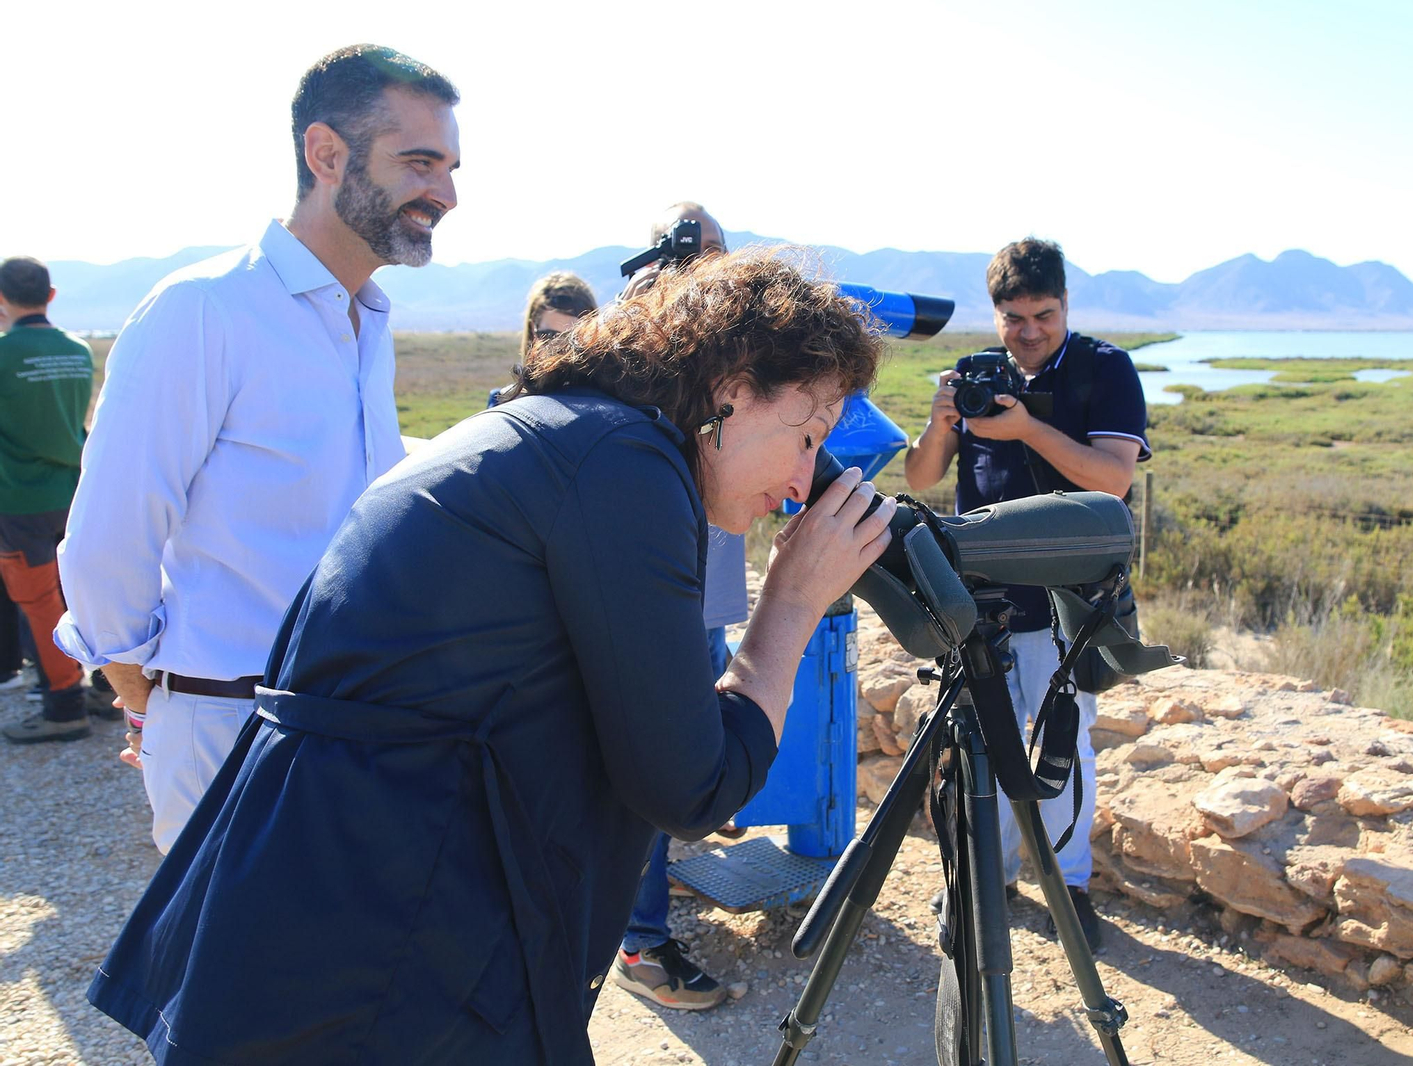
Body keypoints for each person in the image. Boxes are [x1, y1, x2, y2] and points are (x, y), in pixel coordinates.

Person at [87, 249, 892, 1065]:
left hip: (327, 910)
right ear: (734, 385)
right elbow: (692, 785)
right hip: (380, 955)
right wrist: (792, 599)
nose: (801, 484)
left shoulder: (565, 431)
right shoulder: (624, 464)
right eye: (808, 437)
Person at [53, 44, 461, 851]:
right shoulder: (203, 310)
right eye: (419, 162)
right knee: (238, 975)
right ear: (325, 153)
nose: (444, 194)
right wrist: (151, 691)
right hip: (231, 723)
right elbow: (109, 537)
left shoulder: (366, 321)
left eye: (450, 167)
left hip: (349, 720)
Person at [903, 237, 1150, 950]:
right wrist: (942, 419)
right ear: (996, 315)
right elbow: (922, 478)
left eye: (1044, 314)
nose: (1030, 330)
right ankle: (990, 880)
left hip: (1068, 605)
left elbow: (1112, 482)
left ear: (1066, 304)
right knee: (982, 745)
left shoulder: (1104, 371)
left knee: (1063, 750)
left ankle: (1067, 887)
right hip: (978, 605)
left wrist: (1026, 429)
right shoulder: (977, 378)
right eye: (1014, 317)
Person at [610, 202, 748, 1010]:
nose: (713, 273)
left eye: (722, 256)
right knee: (647, 777)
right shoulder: (645, 351)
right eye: (697, 257)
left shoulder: (730, 355)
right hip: (659, 602)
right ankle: (641, 946)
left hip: (710, 604)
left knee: (689, 766)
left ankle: (654, 897)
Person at [0, 256, 100, 743]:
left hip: (19, 498)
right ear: (52, 295)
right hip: (75, 489)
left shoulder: (3, 354)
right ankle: (106, 684)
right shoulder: (78, 350)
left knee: (39, 601)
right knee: (86, 592)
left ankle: (63, 707)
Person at [488, 272, 597, 408]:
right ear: (533, 331)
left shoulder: (616, 403)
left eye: (574, 336)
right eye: (550, 335)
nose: (562, 347)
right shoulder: (505, 404)